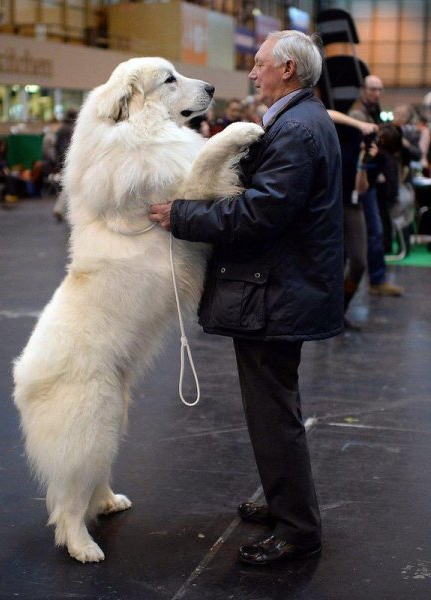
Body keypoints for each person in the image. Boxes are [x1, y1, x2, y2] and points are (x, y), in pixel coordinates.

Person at [150, 30, 343, 565]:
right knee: (275, 407)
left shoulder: (297, 131)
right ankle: (285, 502)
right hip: (281, 289)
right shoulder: (300, 122)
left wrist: (181, 215)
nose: (251, 74)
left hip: (278, 294)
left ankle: (298, 528)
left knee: (272, 412)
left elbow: (259, 213)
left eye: (258, 65)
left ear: (286, 69)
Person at [349, 76, 404, 296]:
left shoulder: (373, 111)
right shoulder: (357, 114)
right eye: (373, 89)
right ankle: (374, 280)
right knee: (369, 232)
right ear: (364, 89)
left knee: (374, 230)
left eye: (380, 89)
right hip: (355, 180)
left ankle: (376, 279)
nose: (377, 93)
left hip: (366, 178)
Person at [52, 108, 77, 222]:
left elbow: (56, 146)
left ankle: (60, 208)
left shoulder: (60, 129)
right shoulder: (74, 129)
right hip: (73, 160)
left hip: (62, 160)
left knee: (68, 185)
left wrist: (58, 162)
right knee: (71, 185)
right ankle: (61, 209)